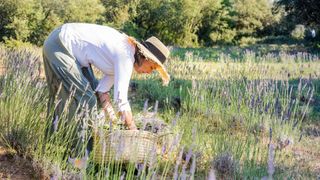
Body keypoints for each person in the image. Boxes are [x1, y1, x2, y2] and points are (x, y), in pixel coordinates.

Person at [42, 23, 170, 133]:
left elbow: (102, 91)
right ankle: (76, 154)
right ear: (145, 57)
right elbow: (122, 101)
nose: (149, 72)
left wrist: (113, 120)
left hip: (66, 45)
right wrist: (133, 130)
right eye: (152, 67)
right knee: (86, 98)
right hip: (60, 43)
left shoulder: (125, 55)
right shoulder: (125, 56)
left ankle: (60, 141)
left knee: (91, 90)